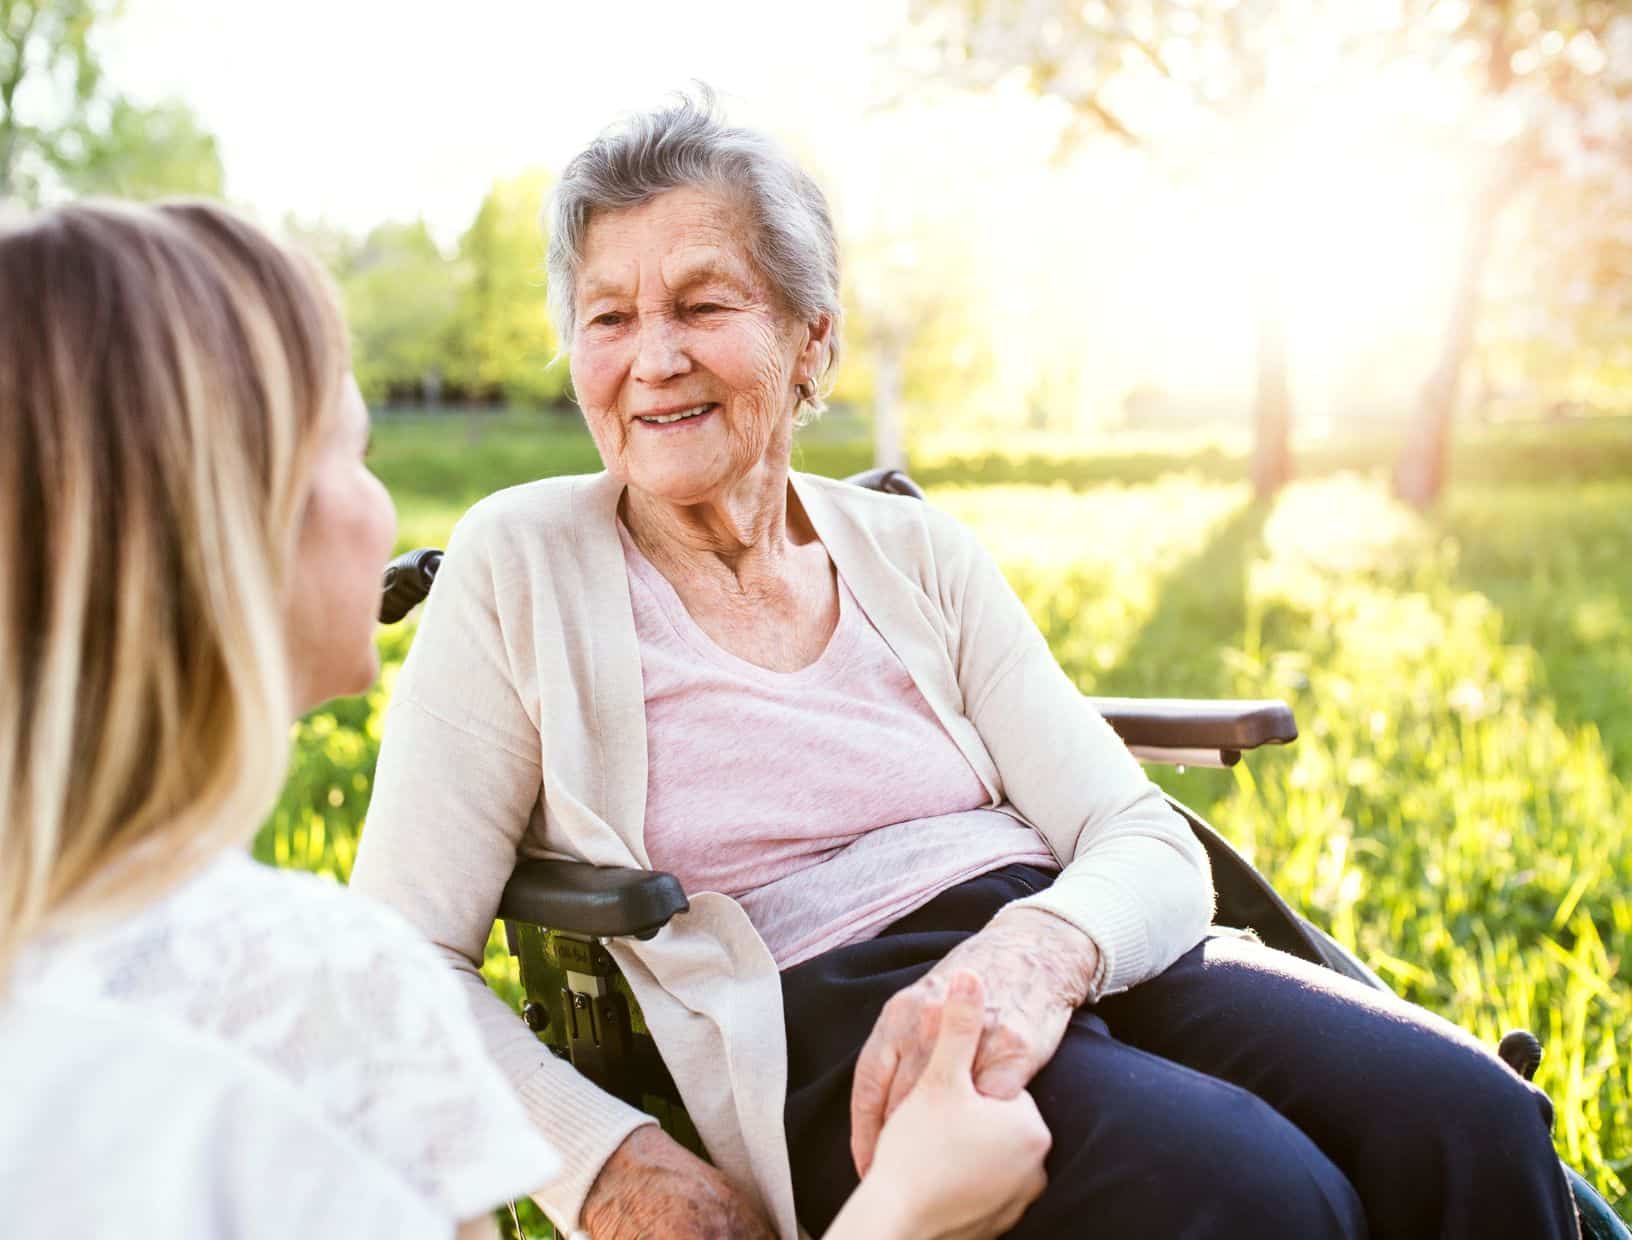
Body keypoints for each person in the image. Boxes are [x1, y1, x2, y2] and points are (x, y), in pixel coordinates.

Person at [351, 88, 1583, 1240]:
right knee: (1255, 1194)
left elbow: (1137, 835)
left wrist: (1035, 955)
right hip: (825, 1018)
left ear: (809, 342)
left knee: (1468, 1116)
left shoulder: (912, 548)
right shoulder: (522, 559)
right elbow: (398, 959)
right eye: (608, 318)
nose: (650, 356)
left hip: (1053, 932)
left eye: (702, 304)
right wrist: (605, 1160)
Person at [0, 199, 1048, 1240]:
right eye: (355, 451)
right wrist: (909, 1212)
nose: (382, 510)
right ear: (227, 527)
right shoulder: (318, 988)